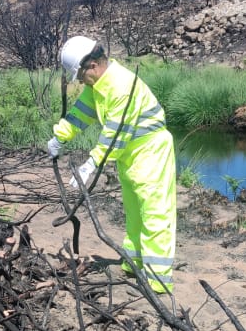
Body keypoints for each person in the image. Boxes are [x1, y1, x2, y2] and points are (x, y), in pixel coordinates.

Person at [47, 35, 177, 294]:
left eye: (81, 75)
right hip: (131, 156)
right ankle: (133, 264)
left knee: (155, 213)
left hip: (150, 151)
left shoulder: (120, 85)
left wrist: (90, 165)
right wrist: (59, 137)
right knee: (134, 212)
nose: (81, 81)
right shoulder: (98, 87)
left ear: (92, 65)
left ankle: (158, 281)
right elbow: (81, 114)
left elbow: (115, 135)